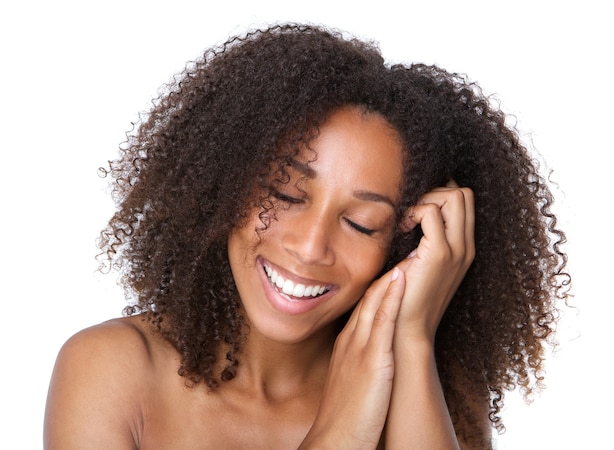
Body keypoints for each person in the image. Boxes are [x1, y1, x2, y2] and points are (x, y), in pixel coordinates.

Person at [44, 24, 569, 449]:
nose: (310, 246)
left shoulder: (432, 387)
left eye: (362, 224)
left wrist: (411, 338)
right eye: (287, 193)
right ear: (224, 182)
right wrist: (341, 431)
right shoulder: (111, 371)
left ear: (402, 244)